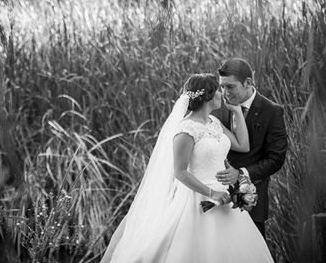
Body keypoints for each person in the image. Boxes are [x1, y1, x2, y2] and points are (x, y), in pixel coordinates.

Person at [100, 73, 274, 263]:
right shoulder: (186, 129)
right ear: (207, 95)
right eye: (218, 89)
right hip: (197, 198)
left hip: (225, 198)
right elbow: (180, 172)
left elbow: (242, 145)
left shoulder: (213, 123)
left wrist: (237, 112)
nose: (222, 94)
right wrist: (211, 193)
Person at [214, 58, 288, 239]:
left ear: (248, 83)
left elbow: (275, 159)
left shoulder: (272, 111)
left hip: (250, 200)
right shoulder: (215, 106)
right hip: (216, 199)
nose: (225, 92)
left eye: (230, 87)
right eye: (222, 87)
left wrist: (241, 173)